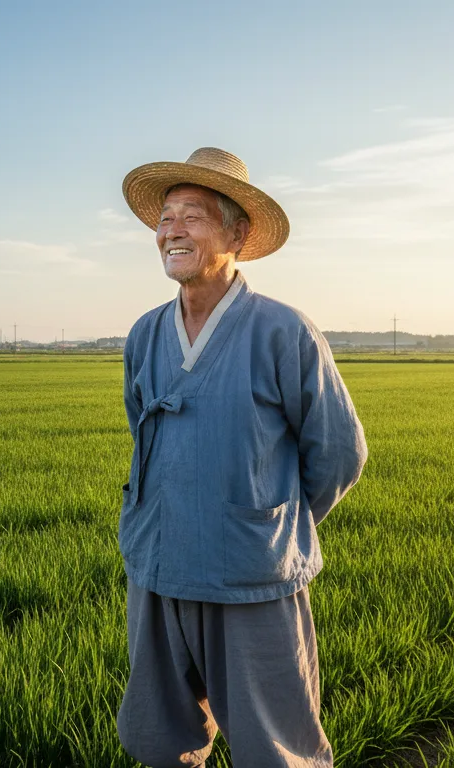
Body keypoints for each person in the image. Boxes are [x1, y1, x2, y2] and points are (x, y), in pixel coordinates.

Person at [115, 147, 367, 767]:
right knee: (160, 737)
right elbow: (143, 436)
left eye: (192, 215)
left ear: (238, 231)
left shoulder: (284, 331)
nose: (171, 229)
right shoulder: (146, 333)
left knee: (274, 744)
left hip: (250, 573)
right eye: (165, 217)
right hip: (158, 562)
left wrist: (266, 522)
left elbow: (338, 453)